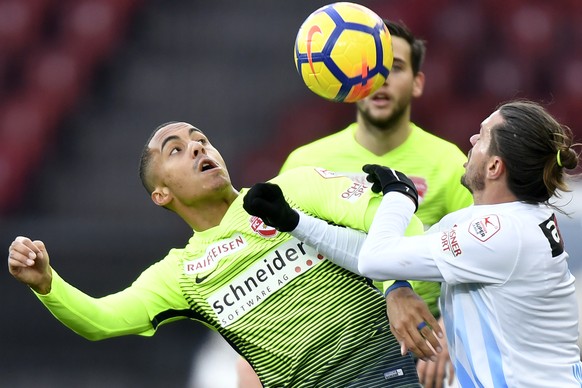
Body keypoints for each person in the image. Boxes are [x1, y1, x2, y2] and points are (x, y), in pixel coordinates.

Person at [7, 121, 438, 387]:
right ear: (161, 194)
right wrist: (48, 284)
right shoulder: (179, 274)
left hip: (392, 374)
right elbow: (100, 321)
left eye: (201, 140)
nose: (198, 148)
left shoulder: (294, 189)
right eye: (175, 150)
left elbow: (390, 211)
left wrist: (396, 285)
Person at [244, 100, 582, 386]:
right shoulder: (496, 224)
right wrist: (296, 222)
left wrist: (400, 197)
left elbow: (377, 260)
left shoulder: (500, 234)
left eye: (483, 136)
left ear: (495, 166)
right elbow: (376, 255)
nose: (472, 137)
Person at [268, 19, 471, 388]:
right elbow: (278, 266)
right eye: (368, 63)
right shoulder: (304, 163)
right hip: (330, 353)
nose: (379, 78)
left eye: (393, 67)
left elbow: (480, 260)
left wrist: (453, 332)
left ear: (418, 82)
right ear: (346, 78)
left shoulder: (449, 163)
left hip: (422, 353)